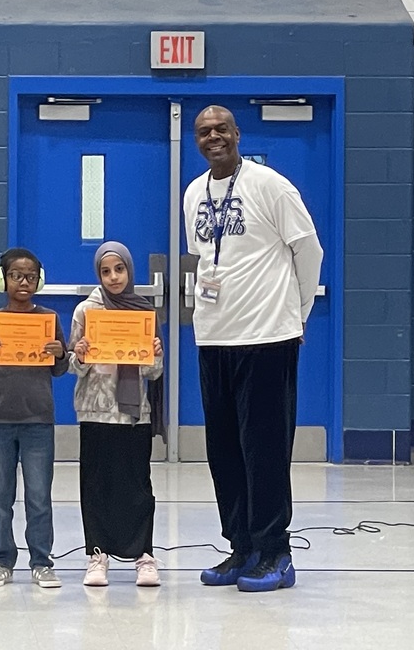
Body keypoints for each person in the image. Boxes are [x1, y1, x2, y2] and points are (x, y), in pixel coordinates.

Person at [183, 105, 323, 593]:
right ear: (195, 139)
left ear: (237, 134)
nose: (213, 136)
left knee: (263, 449)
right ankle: (241, 547)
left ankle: (275, 552)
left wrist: (297, 314)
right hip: (214, 336)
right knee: (224, 450)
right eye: (204, 131)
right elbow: (202, 261)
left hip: (267, 336)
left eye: (222, 129)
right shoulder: (193, 193)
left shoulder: (270, 185)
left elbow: (310, 250)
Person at [68, 241, 164, 588]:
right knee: (96, 485)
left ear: (129, 270)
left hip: (134, 413)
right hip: (95, 412)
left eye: (119, 269)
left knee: (138, 485)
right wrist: (78, 354)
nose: (113, 277)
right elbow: (73, 368)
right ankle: (98, 555)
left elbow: (154, 374)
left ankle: (144, 555)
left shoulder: (143, 312)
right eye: (106, 271)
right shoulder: (85, 312)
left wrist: (153, 353)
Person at [0, 247, 68, 589]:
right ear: (3, 279)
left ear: (38, 281)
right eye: (16, 275)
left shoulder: (50, 320)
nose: (23, 282)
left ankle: (41, 561)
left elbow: (60, 370)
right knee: (0, 495)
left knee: (39, 496)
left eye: (30, 276)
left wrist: (61, 353)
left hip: (38, 421)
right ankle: (2, 560)